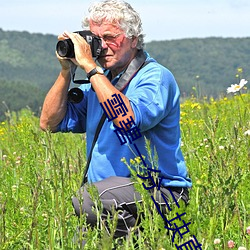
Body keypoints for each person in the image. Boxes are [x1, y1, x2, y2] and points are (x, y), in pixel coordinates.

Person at [40, 0, 192, 245]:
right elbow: (49, 122)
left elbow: (127, 120)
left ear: (133, 38)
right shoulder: (99, 83)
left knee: (88, 199)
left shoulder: (154, 77)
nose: (102, 47)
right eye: (96, 39)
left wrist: (90, 67)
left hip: (159, 192)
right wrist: (66, 70)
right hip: (111, 199)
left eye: (110, 37)